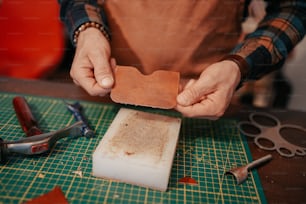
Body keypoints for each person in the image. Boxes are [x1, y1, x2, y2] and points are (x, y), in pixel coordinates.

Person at [59, 0, 306, 119]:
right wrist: (87, 29)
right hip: (106, 91)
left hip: (206, 101)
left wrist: (239, 65)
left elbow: (294, 8)